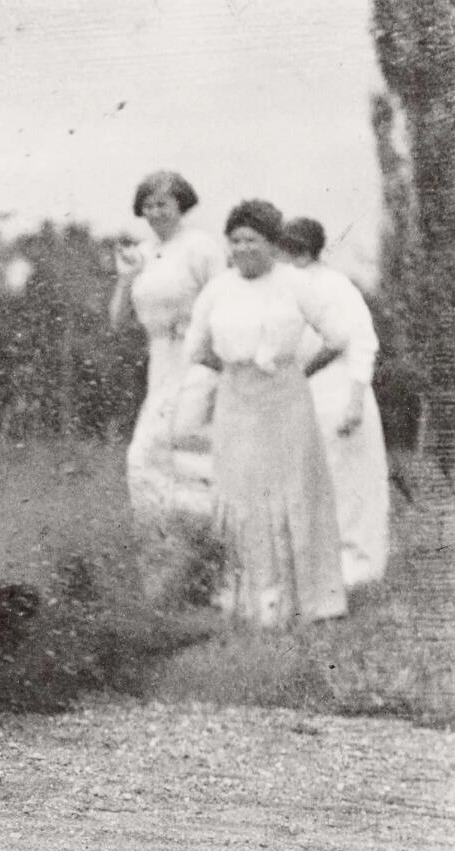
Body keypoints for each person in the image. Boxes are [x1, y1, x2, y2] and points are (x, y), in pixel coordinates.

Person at [183, 200, 354, 627]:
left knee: (292, 491)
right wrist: (234, 373)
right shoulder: (218, 289)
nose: (243, 248)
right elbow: (197, 348)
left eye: (252, 240)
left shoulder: (295, 284)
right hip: (237, 401)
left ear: (272, 243)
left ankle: (312, 601)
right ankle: (252, 603)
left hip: (285, 399)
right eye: (236, 240)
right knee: (241, 495)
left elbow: (336, 337)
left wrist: (295, 372)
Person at [109, 170, 227, 602]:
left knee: (189, 455)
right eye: (149, 203)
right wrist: (124, 278)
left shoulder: (200, 247)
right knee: (149, 463)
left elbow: (224, 302)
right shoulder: (140, 253)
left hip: (199, 358)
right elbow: (118, 321)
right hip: (160, 362)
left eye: (165, 202)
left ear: (182, 203)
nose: (156, 211)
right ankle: (169, 570)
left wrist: (203, 340)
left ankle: (217, 571)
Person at [277, 217, 391, 588]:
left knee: (352, 482)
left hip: (342, 389)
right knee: (318, 482)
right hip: (308, 394)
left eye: (288, 248)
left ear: (304, 251)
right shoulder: (287, 287)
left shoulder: (334, 285)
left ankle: (360, 568)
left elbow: (362, 343)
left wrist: (356, 402)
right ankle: (322, 568)